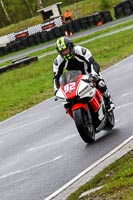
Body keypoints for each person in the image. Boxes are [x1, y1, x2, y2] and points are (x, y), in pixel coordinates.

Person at [53, 36, 115, 111]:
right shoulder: (58, 61)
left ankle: (108, 101)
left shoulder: (81, 51)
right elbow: (56, 77)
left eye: (66, 49)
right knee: (67, 99)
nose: (65, 52)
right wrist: (56, 90)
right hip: (74, 78)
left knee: (100, 82)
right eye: (62, 51)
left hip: (88, 73)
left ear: (71, 46)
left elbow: (93, 63)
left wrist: (94, 74)